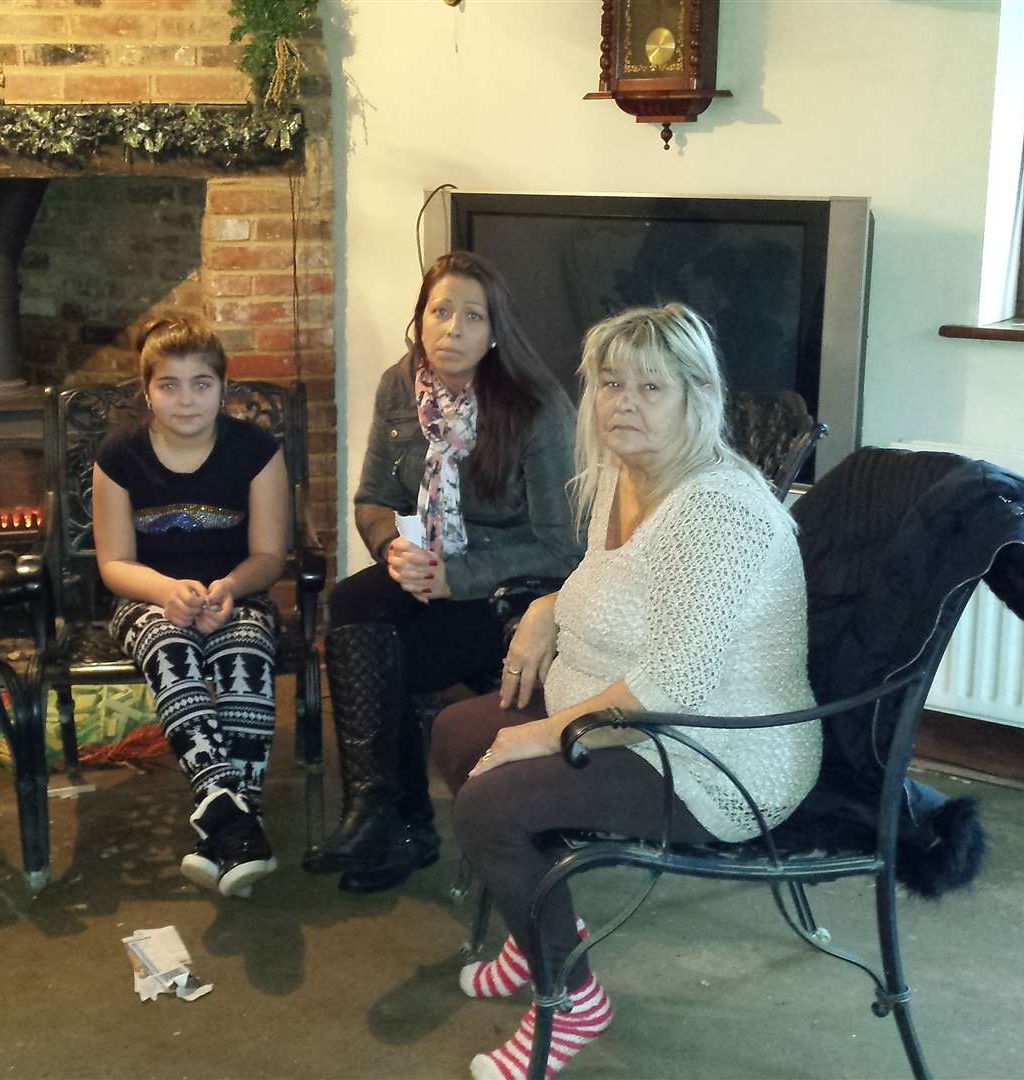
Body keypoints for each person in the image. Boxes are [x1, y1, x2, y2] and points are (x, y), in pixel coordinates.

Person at [429, 304, 822, 1080]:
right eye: (611, 384)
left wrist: (535, 735)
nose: (624, 404)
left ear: (697, 396)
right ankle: (541, 930)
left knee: (490, 803)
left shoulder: (717, 510)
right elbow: (609, 583)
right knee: (454, 734)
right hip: (631, 713)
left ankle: (572, 1000)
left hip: (715, 754)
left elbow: (673, 685)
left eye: (652, 386)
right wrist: (545, 611)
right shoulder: (623, 471)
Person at [308, 252, 584, 894]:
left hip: (509, 594)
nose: (453, 328)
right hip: (428, 563)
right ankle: (375, 808)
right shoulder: (398, 387)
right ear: (420, 319)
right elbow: (372, 497)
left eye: (472, 315)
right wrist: (390, 550)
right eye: (441, 311)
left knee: (387, 653)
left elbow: (562, 547)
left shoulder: (536, 406)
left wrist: (457, 578)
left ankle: (402, 824)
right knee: (352, 604)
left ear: (494, 333)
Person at [93, 316, 291, 898]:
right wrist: (164, 591)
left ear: (222, 389)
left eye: (201, 383)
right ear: (146, 390)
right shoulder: (120, 456)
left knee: (245, 647)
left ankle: (224, 832)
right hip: (146, 601)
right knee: (168, 642)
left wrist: (229, 587)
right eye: (170, 385)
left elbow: (269, 554)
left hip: (237, 595)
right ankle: (236, 823)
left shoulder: (254, 450)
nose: (186, 399)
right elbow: (114, 565)